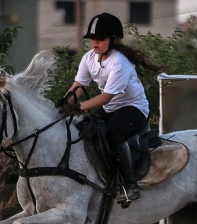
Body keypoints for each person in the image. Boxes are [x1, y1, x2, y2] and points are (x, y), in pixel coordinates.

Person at [58, 12, 164, 201]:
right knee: (83, 129)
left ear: (113, 39)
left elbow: (106, 97)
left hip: (134, 108)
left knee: (113, 133)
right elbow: (79, 86)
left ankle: (130, 185)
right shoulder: (89, 58)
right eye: (92, 39)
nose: (94, 43)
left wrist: (78, 107)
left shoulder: (119, 62)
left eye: (100, 39)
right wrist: (65, 102)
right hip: (113, 107)